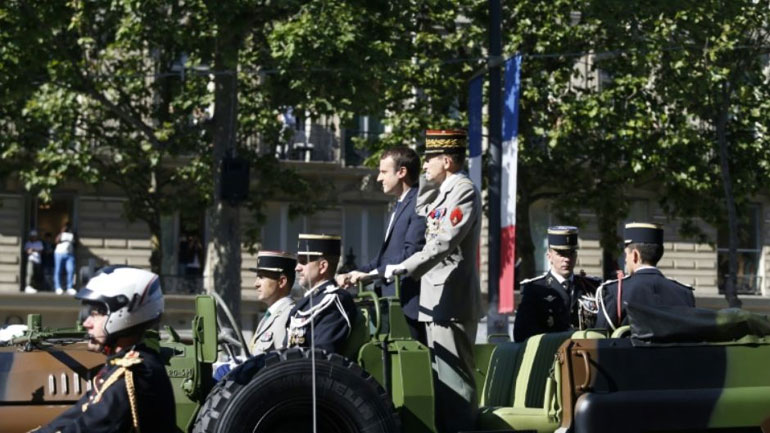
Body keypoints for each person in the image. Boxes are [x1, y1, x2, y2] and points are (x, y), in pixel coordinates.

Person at [384, 129, 482, 433]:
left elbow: (442, 242)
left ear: (448, 161)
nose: (424, 165)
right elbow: (423, 211)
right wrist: (428, 180)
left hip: (451, 300)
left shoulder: (463, 190)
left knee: (455, 384)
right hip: (435, 301)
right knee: (441, 382)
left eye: (430, 160)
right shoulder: (444, 190)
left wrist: (405, 266)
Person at [33, 266, 176, 433]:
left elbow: (89, 427)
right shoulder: (123, 366)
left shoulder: (135, 374)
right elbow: (75, 417)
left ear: (124, 314)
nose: (87, 323)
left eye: (97, 314)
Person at [336, 146, 427, 343]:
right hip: (390, 302)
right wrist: (355, 274)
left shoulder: (418, 203)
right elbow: (383, 259)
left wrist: (370, 275)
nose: (378, 178)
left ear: (401, 172)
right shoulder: (400, 204)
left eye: (384, 172)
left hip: (407, 305)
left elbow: (412, 253)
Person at [595, 222, 696, 330]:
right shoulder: (684, 293)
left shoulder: (615, 291)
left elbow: (600, 337)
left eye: (626, 254)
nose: (625, 259)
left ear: (635, 255)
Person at [512, 226, 601, 342]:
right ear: (549, 256)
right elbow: (522, 334)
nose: (567, 259)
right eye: (561, 254)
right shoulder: (534, 289)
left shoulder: (592, 286)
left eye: (571, 253)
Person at [287, 234, 358, 353]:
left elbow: (322, 355)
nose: (297, 268)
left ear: (322, 266)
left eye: (303, 262)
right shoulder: (308, 302)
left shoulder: (332, 302)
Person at [249, 250, 296, 355]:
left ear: (281, 282)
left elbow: (284, 362)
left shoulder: (290, 315)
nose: (255, 284)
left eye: (262, 277)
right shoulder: (270, 315)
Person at [54, 222, 77, 295]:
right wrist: (62, 231)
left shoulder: (72, 234)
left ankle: (69, 287)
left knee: (70, 270)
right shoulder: (61, 234)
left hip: (69, 254)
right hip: (59, 253)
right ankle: (58, 287)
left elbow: (76, 243)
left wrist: (73, 233)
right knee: (58, 270)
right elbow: (56, 241)